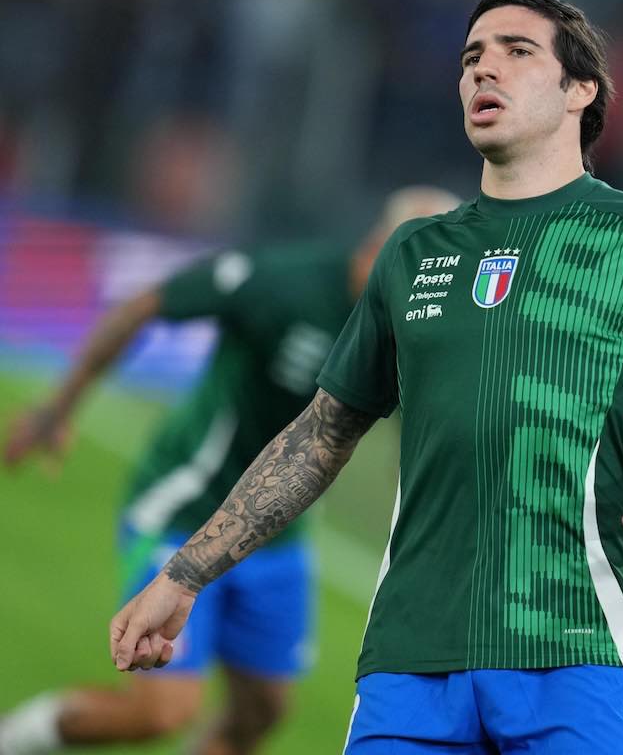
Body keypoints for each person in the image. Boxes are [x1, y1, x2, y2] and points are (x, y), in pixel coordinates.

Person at [106, 0, 623, 754]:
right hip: (410, 663)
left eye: (516, 52)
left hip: (576, 649)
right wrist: (185, 574)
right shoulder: (412, 252)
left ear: (580, 91)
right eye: (471, 57)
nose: (483, 69)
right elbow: (318, 438)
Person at [0, 186, 462, 755]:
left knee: (261, 711)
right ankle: (15, 738)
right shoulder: (283, 283)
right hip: (187, 503)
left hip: (278, 532)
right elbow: (147, 304)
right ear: (387, 248)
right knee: (164, 709)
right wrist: (59, 407)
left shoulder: (418, 328)